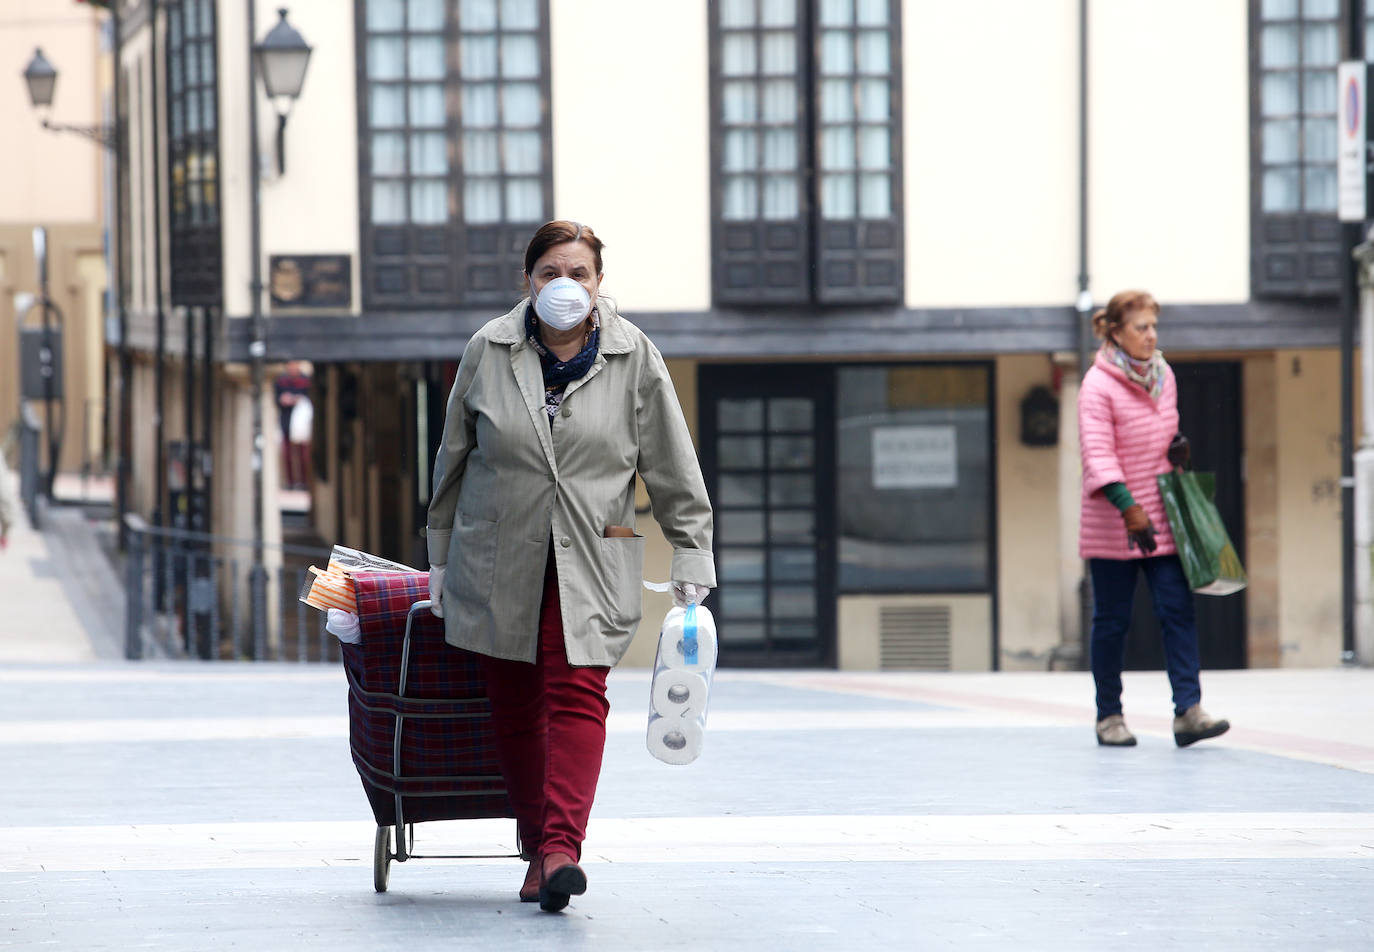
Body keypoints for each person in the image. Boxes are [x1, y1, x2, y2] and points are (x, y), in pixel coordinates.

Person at [424, 220, 715, 911]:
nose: (564, 286)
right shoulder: (488, 349)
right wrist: (438, 556)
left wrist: (691, 546)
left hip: (593, 551)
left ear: (599, 283)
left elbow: (670, 462)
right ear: (528, 281)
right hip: (498, 553)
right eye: (550, 272)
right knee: (517, 707)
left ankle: (561, 849)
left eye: (577, 274)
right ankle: (538, 851)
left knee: (579, 693)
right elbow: (453, 459)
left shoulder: (633, 355)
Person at [1078, 289, 1230, 749]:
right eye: (1141, 327)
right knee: (1112, 621)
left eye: (1154, 326)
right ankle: (1109, 716)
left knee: (1177, 611)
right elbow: (1098, 453)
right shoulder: (1097, 385)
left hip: (1164, 515)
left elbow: (1160, 434)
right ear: (1117, 332)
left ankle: (1188, 712)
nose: (1151, 335)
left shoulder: (1164, 375)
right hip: (1115, 521)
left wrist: (1176, 449)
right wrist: (1128, 507)